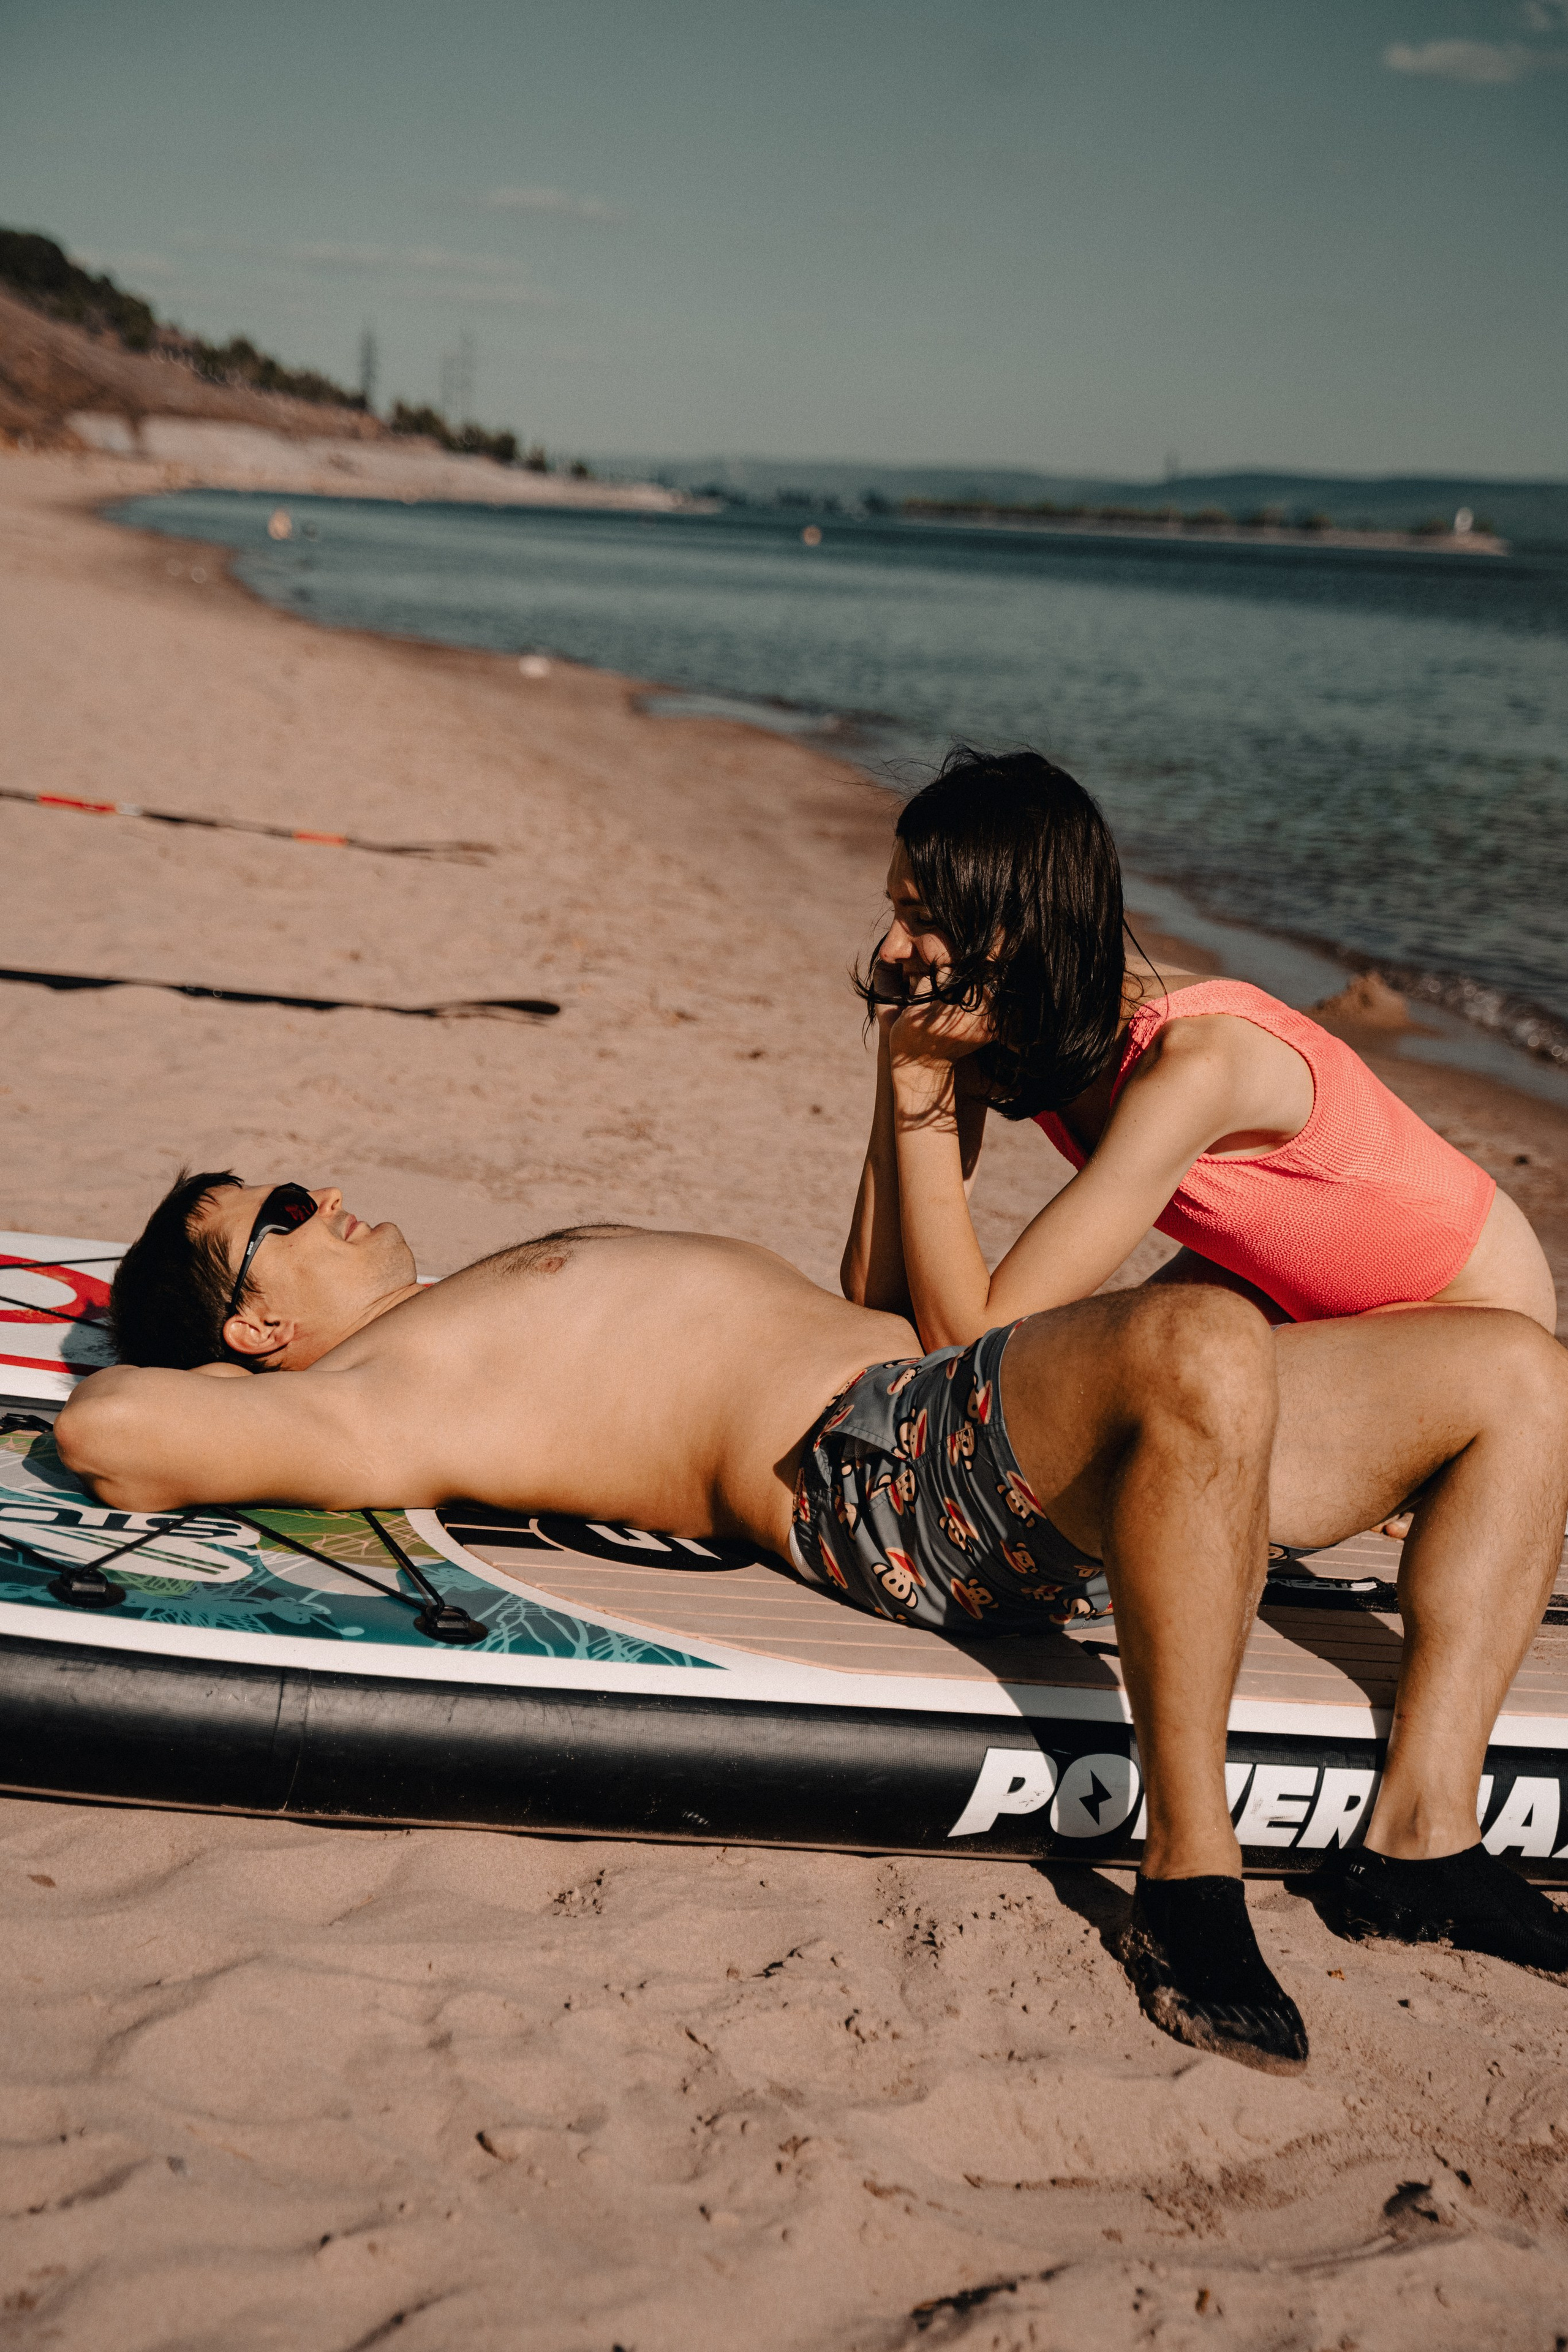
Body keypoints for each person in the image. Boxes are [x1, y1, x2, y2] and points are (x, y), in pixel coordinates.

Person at [58, 1168, 1568, 2075]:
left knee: (1513, 1369)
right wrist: (201, 1386)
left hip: (983, 1410)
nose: (322, 1193)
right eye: (277, 1210)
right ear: (254, 1325)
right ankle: (1186, 1872)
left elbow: (870, 1290)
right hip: (881, 1476)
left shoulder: (442, 1304)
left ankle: (1416, 1844)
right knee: (1196, 1327)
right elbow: (114, 1431)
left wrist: (902, 1083)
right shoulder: (375, 1398)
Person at [840, 747, 1557, 1357]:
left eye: (922, 920)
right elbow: (878, 1293)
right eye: (895, 911)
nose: (890, 949)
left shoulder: (1195, 1062)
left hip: (1465, 1312)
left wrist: (921, 1070)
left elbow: (970, 1330)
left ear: (1016, 929)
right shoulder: (1000, 1022)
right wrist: (902, 1067)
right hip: (1280, 1287)